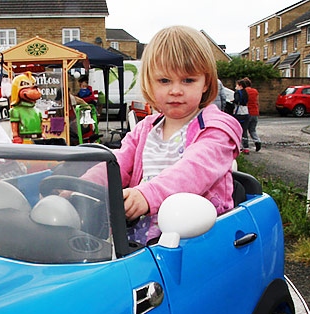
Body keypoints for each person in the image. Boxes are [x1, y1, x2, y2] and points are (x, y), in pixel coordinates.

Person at [83, 25, 242, 245]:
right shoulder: (145, 129)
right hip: (144, 235)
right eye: (164, 81)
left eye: (188, 80)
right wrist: (80, 184)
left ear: (206, 82)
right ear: (150, 82)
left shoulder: (216, 130)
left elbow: (193, 171)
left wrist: (147, 195)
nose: (175, 90)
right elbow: (118, 163)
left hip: (197, 239)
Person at [243, 77, 262, 152]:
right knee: (252, 129)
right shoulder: (255, 91)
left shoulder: (244, 91)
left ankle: (245, 146)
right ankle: (257, 141)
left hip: (247, 112)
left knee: (244, 130)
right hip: (255, 112)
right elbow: (257, 102)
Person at [233, 79, 250, 154]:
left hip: (239, 112)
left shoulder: (237, 92)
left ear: (240, 85)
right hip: (246, 111)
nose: (235, 86)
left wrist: (233, 101)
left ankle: (238, 146)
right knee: (244, 130)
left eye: (236, 85)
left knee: (237, 129)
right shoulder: (246, 92)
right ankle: (246, 147)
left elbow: (237, 100)